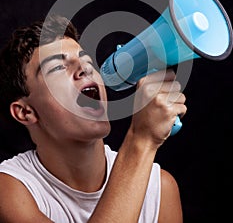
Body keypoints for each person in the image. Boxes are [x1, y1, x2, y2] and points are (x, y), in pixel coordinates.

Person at [0, 14, 187, 223]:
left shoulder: (159, 190)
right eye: (58, 67)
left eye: (86, 60)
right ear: (25, 112)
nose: (84, 68)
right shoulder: (10, 189)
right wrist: (141, 139)